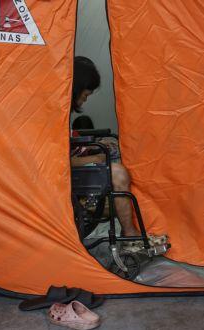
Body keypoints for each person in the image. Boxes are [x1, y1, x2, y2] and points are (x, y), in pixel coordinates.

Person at [70, 56, 140, 237]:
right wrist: (96, 157)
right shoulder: (53, 112)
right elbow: (57, 160)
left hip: (71, 168)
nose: (85, 101)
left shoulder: (58, 110)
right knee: (118, 173)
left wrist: (93, 148)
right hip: (65, 174)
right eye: (85, 95)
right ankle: (129, 232)